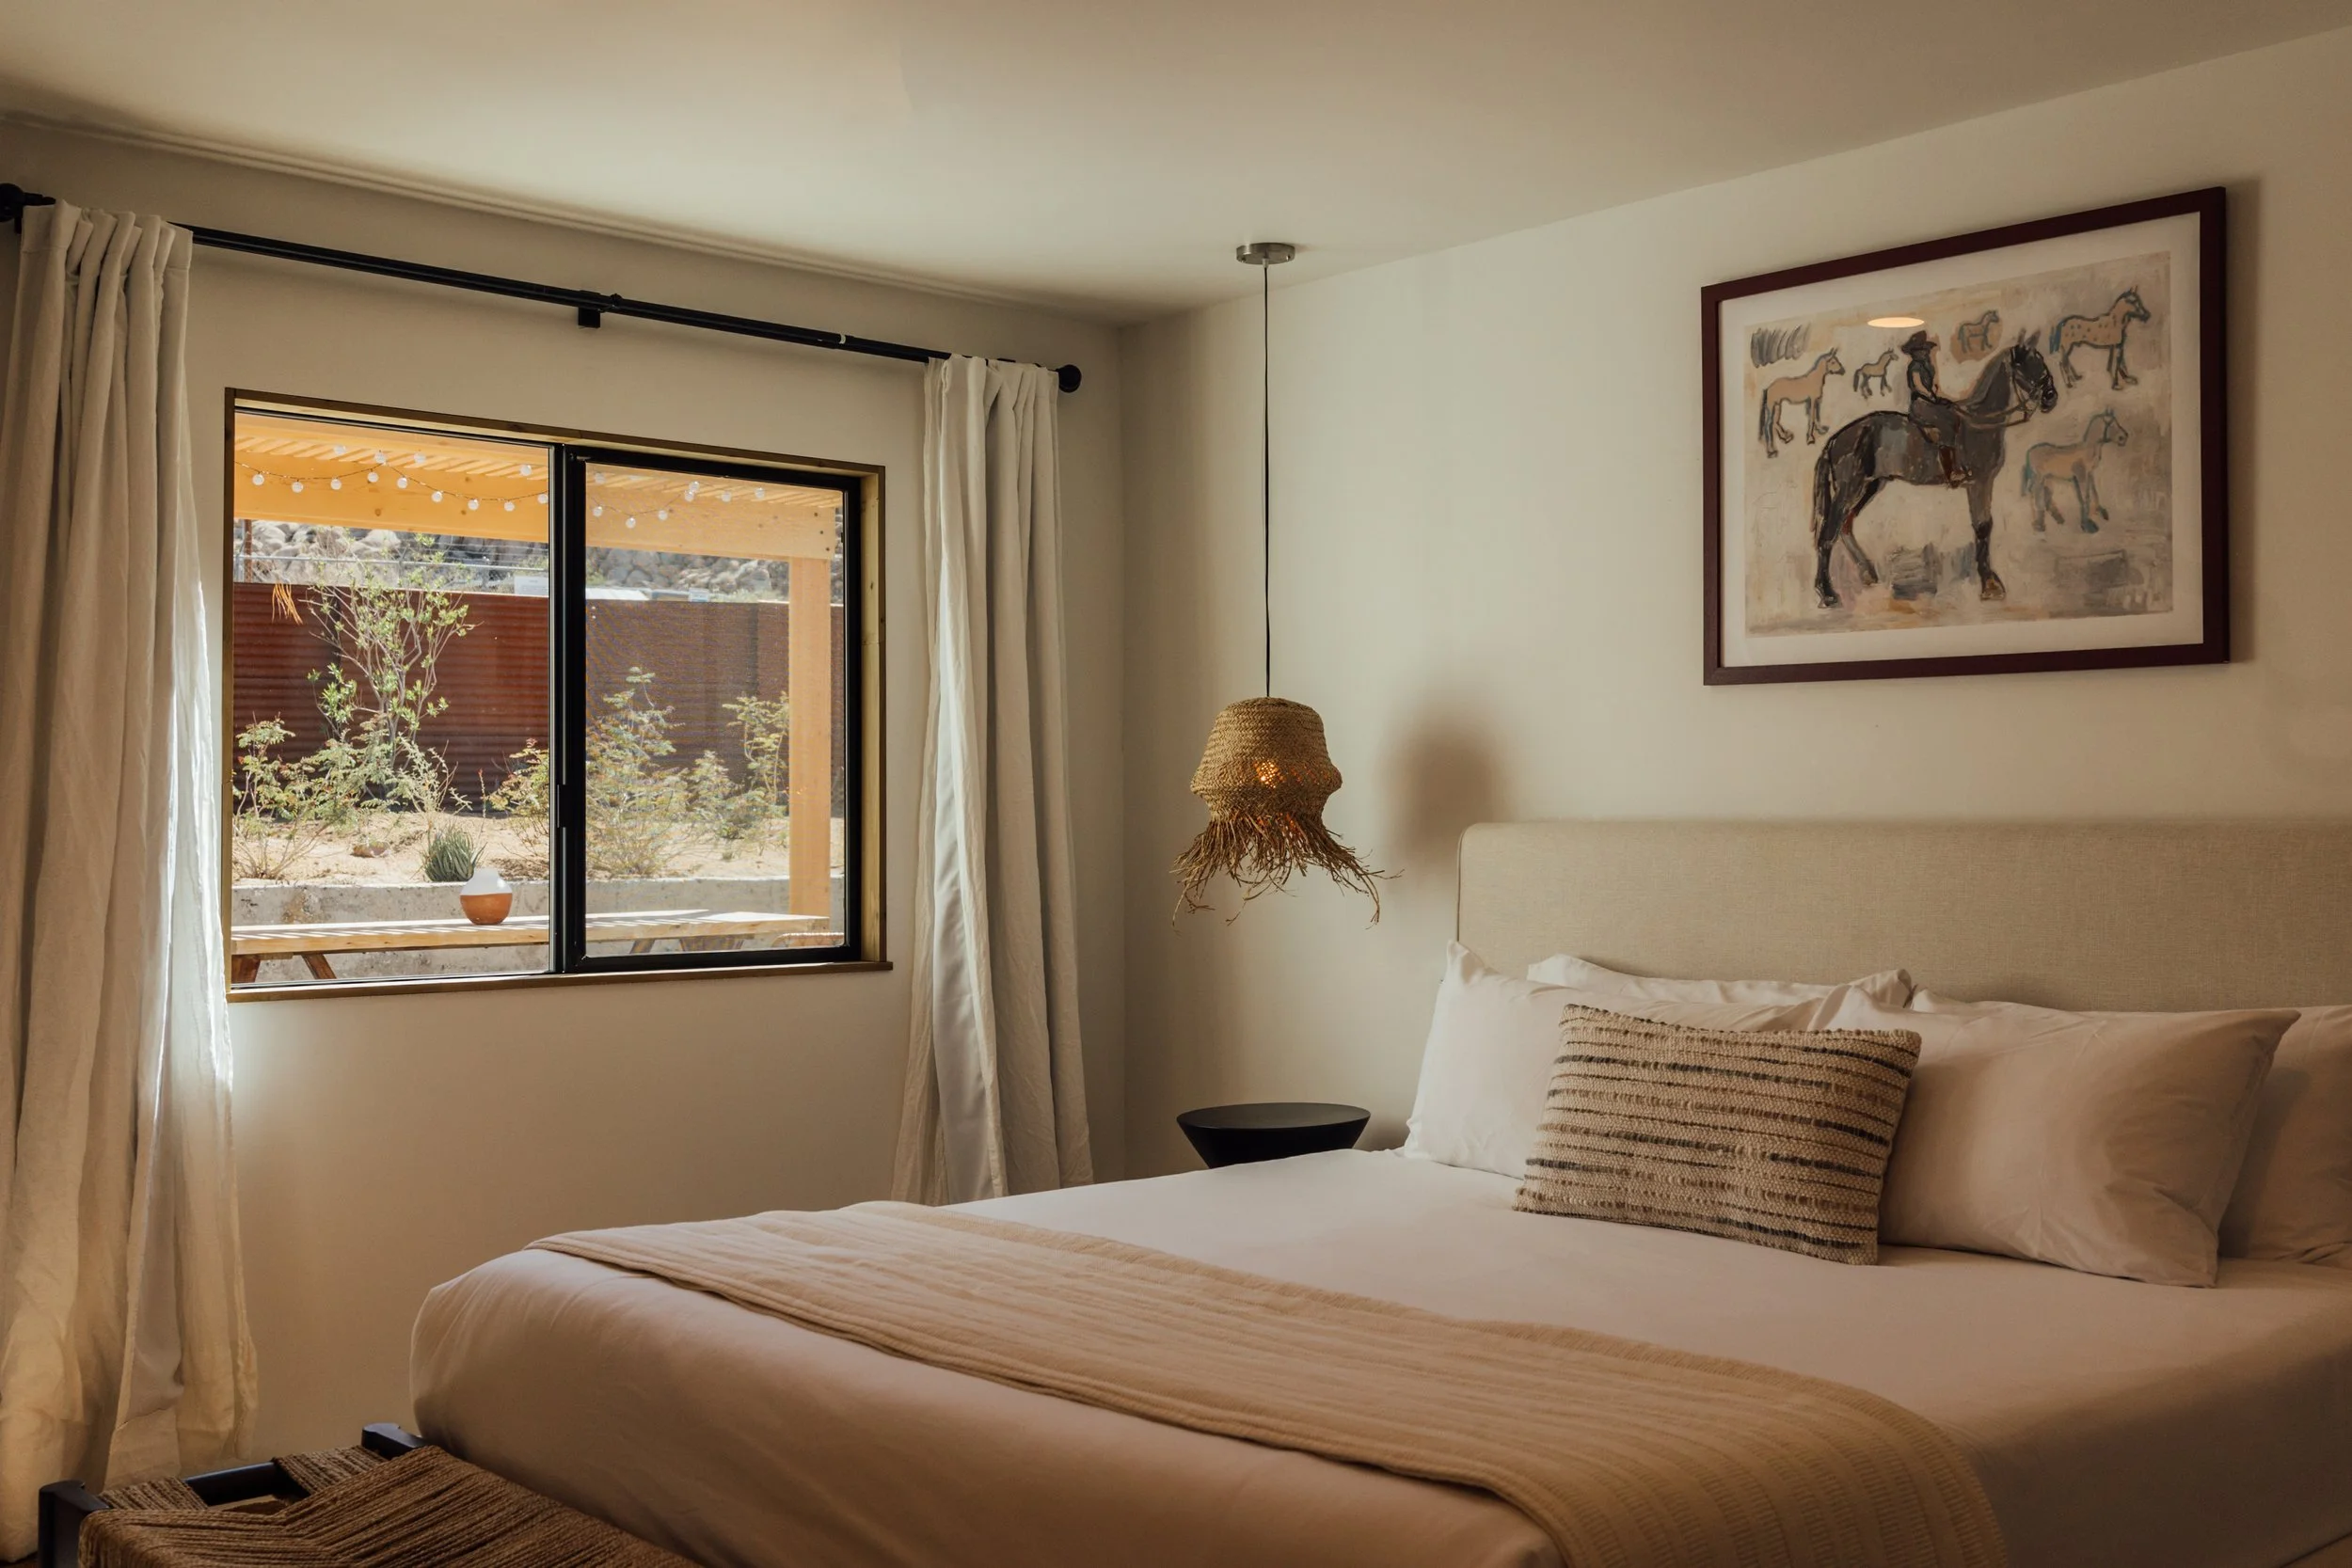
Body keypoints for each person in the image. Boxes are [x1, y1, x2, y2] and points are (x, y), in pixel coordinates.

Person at [1901, 330, 1972, 486]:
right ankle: (1949, 472)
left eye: (1925, 350)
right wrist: (1933, 397)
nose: (1925, 352)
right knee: (1946, 425)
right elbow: (1919, 387)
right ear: (1915, 352)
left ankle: (1962, 463)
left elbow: (1933, 385)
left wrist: (1937, 395)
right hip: (1920, 404)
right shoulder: (1914, 367)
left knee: (1955, 417)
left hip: (1930, 401)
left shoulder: (1928, 364)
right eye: (1921, 350)